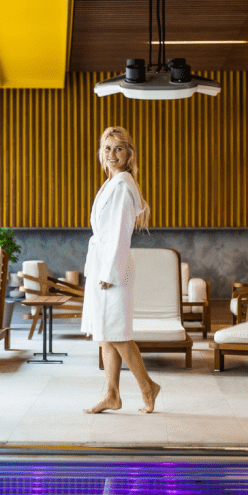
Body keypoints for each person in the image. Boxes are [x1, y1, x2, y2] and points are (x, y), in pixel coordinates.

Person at [81, 126, 160, 414]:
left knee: (118, 333)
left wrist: (108, 272)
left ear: (129, 154)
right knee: (105, 333)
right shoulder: (111, 183)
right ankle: (112, 395)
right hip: (102, 265)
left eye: (119, 148)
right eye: (107, 148)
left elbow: (120, 234)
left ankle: (147, 387)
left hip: (113, 269)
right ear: (101, 153)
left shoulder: (123, 186)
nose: (112, 154)